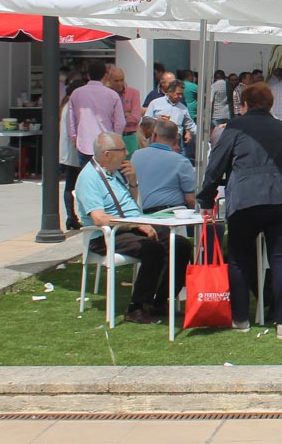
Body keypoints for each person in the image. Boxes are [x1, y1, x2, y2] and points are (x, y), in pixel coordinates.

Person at [198, 82, 282, 339]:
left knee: (239, 258)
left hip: (246, 198)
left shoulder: (235, 127)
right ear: (270, 104)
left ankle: (241, 318)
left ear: (243, 104)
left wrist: (205, 198)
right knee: (280, 259)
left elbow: (215, 165)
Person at [74, 132, 193, 325]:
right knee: (152, 249)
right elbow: (99, 218)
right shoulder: (89, 178)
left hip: (131, 226)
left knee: (181, 245)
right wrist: (135, 224)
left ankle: (161, 301)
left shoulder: (116, 173)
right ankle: (137, 307)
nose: (127, 153)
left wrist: (133, 182)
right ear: (107, 154)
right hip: (105, 235)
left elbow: (131, 204)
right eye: (122, 150)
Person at [130, 119, 196, 213]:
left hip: (141, 215)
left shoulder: (136, 156)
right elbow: (191, 199)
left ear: (154, 135)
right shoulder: (181, 162)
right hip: (172, 216)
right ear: (176, 139)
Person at [68, 60, 125, 166]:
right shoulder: (112, 95)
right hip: (107, 144)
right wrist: (116, 139)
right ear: (105, 75)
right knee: (106, 177)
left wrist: (74, 138)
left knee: (87, 177)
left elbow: (71, 120)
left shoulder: (76, 93)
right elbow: (120, 122)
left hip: (84, 143)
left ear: (88, 75)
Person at [60, 76, 87, 230]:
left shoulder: (65, 105)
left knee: (69, 185)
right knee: (74, 185)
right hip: (76, 151)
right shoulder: (73, 105)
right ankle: (72, 216)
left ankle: (71, 216)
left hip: (69, 153)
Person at [144, 79, 196, 154]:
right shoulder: (155, 103)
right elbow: (146, 120)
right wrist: (156, 120)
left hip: (175, 142)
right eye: (178, 94)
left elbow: (190, 125)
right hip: (159, 140)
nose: (180, 96)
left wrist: (205, 133)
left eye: (181, 94)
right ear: (170, 92)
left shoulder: (183, 108)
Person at [107, 67, 142, 156]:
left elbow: (136, 118)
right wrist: (125, 115)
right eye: (116, 81)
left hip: (129, 137)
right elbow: (105, 118)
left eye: (121, 80)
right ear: (110, 80)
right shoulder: (106, 94)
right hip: (111, 138)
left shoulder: (134, 93)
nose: (120, 83)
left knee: (131, 165)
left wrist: (116, 118)